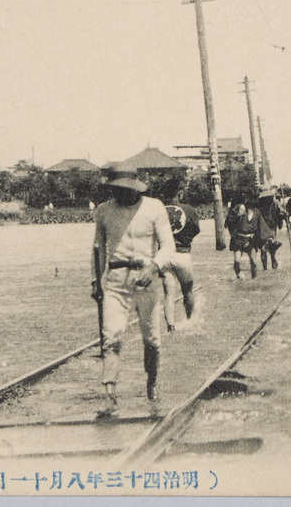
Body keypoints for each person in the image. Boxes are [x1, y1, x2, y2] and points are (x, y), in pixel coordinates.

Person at [92, 165, 187, 416]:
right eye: (115, 190)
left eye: (123, 190)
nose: (119, 194)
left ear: (134, 188)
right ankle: (110, 395)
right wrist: (95, 281)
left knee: (152, 339)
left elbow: (168, 246)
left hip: (145, 279)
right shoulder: (103, 211)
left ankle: (152, 383)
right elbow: (98, 248)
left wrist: (154, 267)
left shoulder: (154, 207)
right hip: (115, 281)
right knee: (111, 337)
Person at [163, 185, 200, 331]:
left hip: (165, 255)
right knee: (188, 290)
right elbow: (196, 229)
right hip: (182, 253)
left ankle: (170, 327)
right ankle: (190, 321)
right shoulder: (188, 209)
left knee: (168, 294)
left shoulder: (159, 210)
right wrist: (186, 239)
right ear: (180, 192)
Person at [225, 194, 263, 279]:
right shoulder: (240, 208)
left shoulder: (257, 212)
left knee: (253, 262)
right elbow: (229, 221)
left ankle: (254, 279)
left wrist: (260, 240)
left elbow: (260, 228)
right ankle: (239, 276)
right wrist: (238, 215)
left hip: (251, 239)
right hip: (238, 238)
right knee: (237, 262)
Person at [256, 186, 287, 269]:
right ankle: (265, 268)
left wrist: (284, 214)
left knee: (271, 245)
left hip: (271, 226)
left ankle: (273, 258)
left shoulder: (275, 202)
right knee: (263, 249)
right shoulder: (258, 204)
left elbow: (282, 211)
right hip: (261, 228)